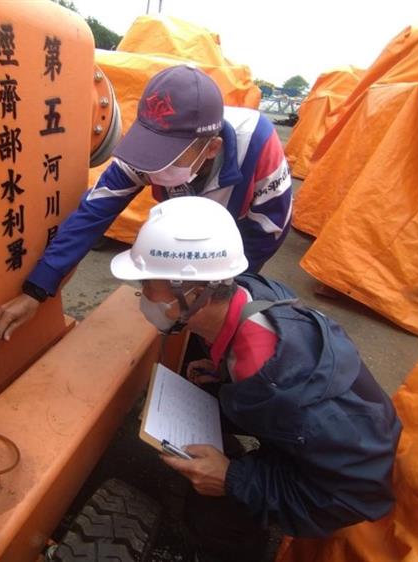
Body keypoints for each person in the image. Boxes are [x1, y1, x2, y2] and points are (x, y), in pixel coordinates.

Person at [110, 196, 402, 561]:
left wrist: (232, 479)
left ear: (194, 292)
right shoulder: (247, 296)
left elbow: (358, 494)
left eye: (148, 284)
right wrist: (222, 374)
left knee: (214, 517)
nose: (143, 294)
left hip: (345, 476)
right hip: (310, 439)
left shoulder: (287, 381)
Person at [0, 64, 292, 343]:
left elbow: (267, 232)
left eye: (168, 156)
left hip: (239, 234)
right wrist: (37, 289)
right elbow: (91, 214)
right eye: (151, 149)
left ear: (212, 148)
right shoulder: (144, 154)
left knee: (217, 319)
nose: (152, 166)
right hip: (185, 224)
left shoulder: (259, 146)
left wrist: (214, 300)